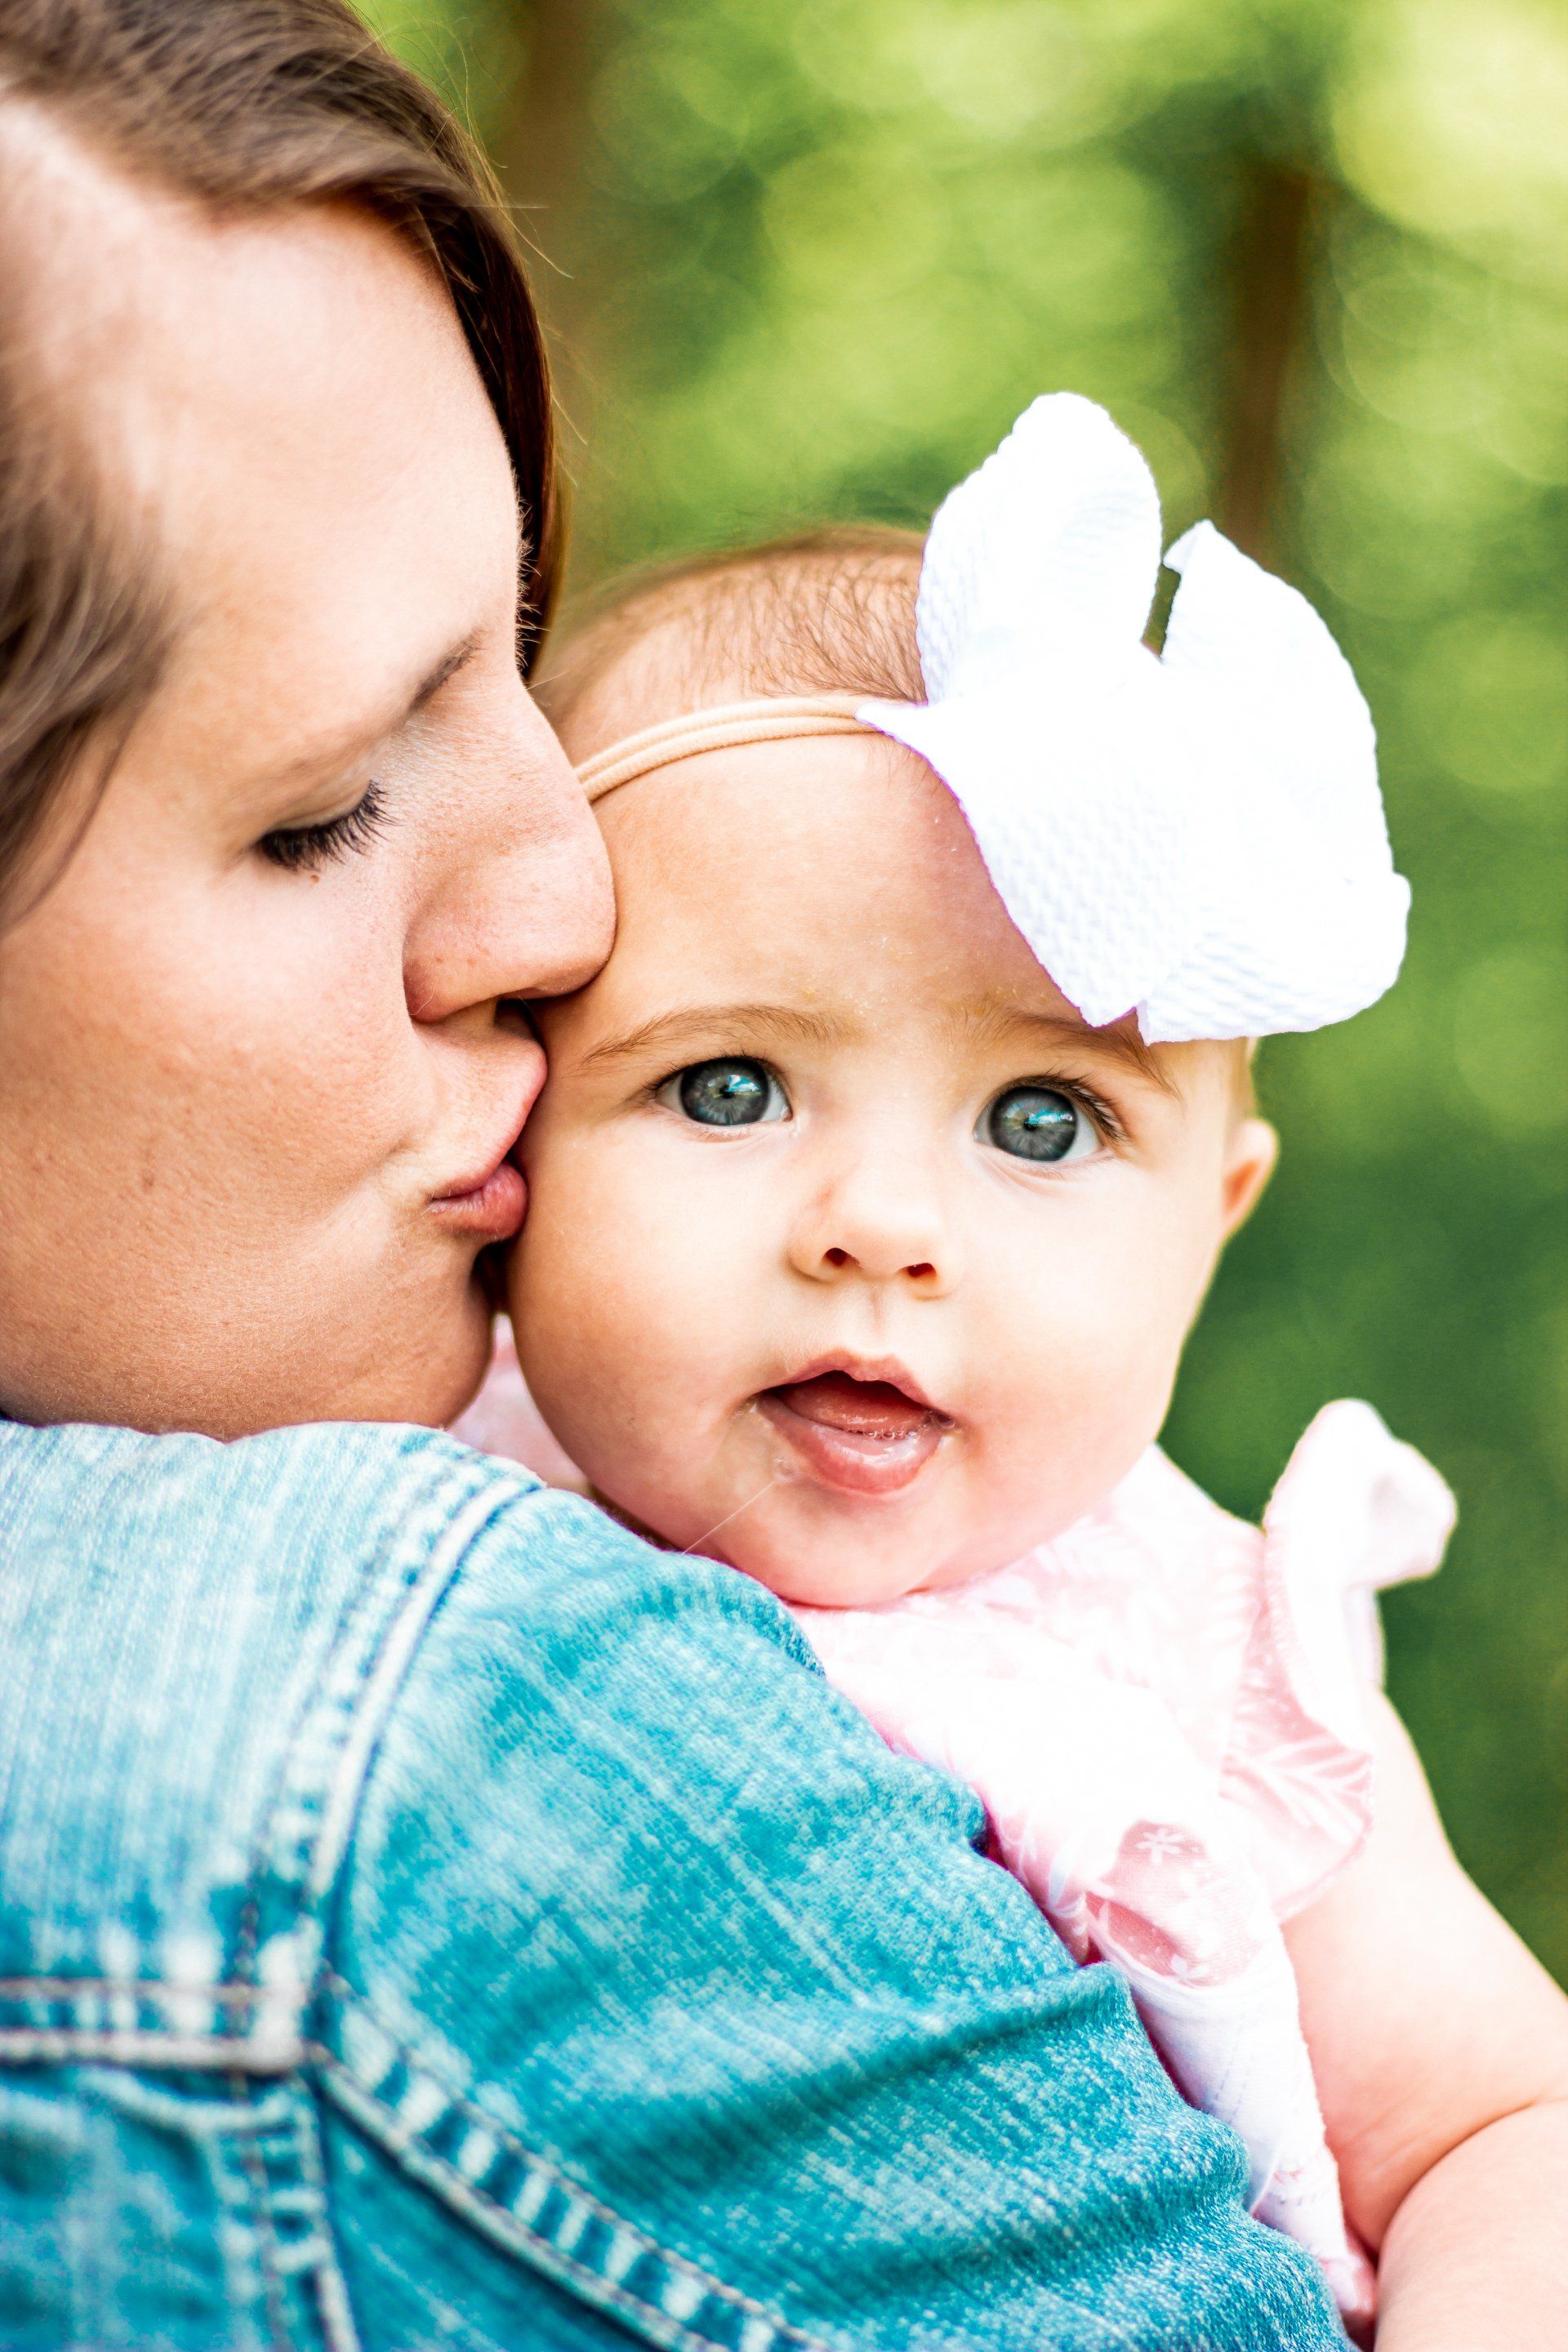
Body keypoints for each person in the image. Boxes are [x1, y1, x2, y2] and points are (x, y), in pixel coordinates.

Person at [0, 5, 1356, 2346]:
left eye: (507, 663)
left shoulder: (1161, 1648)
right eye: (324, 805)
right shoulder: (415, 1729)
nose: (565, 906)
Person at [492, 399, 1568, 2349]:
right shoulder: (397, 1474)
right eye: (728, 1086)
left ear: (1212, 1220)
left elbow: (1509, 2124)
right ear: (513, 1138)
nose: (885, 1224)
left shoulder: (1205, 1668)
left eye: (1049, 1123)